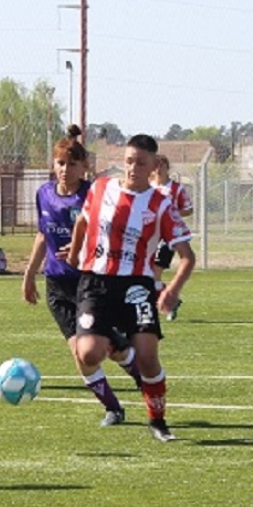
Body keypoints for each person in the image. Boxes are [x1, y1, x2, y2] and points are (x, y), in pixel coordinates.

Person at [68, 134, 195, 442]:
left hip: (136, 285)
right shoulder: (100, 188)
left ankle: (158, 421)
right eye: (128, 161)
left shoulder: (161, 204)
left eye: (141, 162)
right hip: (95, 282)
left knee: (148, 356)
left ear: (154, 165)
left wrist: (173, 289)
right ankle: (112, 339)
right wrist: (74, 254)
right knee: (87, 353)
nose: (133, 167)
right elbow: (83, 222)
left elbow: (188, 257)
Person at [22, 139, 142, 427]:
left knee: (115, 350)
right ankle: (113, 408)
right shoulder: (44, 194)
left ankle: (142, 377)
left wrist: (81, 250)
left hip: (90, 284)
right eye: (60, 163)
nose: (65, 169)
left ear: (84, 167)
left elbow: (110, 237)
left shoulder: (93, 195)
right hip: (58, 287)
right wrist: (29, 275)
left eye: (72, 164)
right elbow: (42, 236)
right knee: (80, 352)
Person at [151, 155, 194, 321]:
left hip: (167, 237)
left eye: (161, 166)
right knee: (150, 276)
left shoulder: (176, 188)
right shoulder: (148, 187)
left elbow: (188, 209)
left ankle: (165, 301)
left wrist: (171, 213)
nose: (158, 169)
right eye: (155, 166)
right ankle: (171, 301)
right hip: (149, 236)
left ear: (167, 168)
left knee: (154, 274)